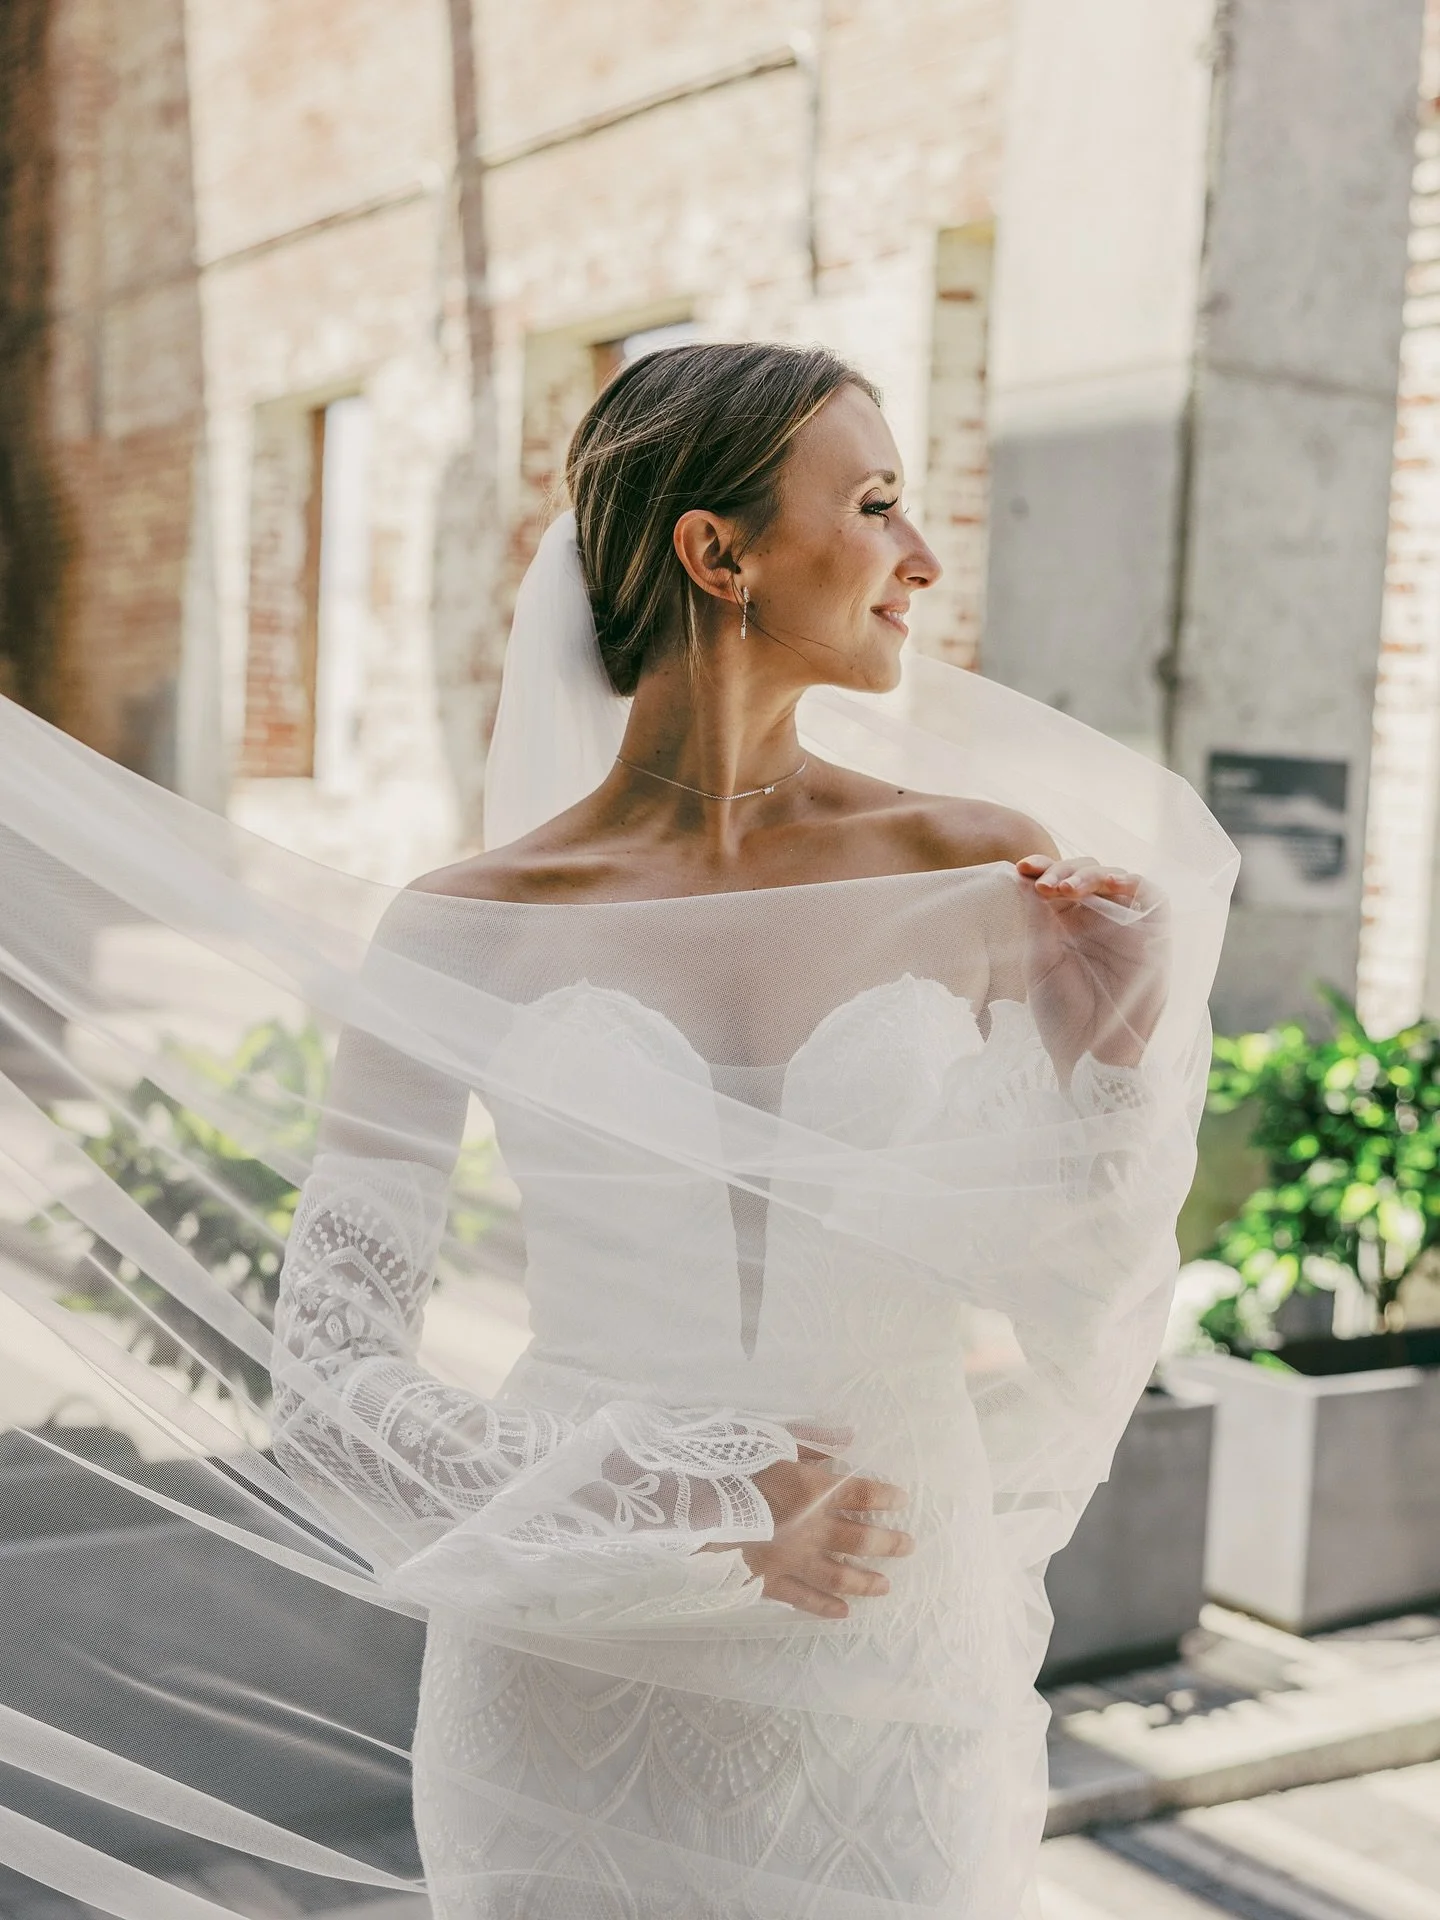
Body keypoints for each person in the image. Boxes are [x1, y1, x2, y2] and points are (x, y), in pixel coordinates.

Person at [266, 342, 1226, 1917]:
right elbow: (327, 1384)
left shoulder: (981, 870)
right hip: (568, 1678)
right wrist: (697, 1493)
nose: (922, 558)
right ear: (718, 554)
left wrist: (1113, 1052)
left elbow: (1070, 1295)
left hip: (894, 1670)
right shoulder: (464, 928)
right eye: (875, 501)